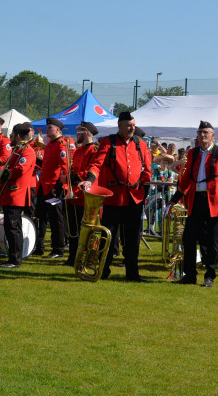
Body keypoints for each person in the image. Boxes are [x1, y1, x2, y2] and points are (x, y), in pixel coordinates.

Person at [84, 111, 152, 282]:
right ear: (120, 125)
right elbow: (96, 164)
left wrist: (144, 193)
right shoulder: (108, 142)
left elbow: (147, 170)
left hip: (134, 198)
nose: (132, 128)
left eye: (133, 125)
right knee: (108, 236)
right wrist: (90, 180)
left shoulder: (141, 144)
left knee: (132, 239)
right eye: (129, 125)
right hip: (113, 198)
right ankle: (103, 270)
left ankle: (132, 273)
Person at [169, 121, 218, 287]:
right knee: (188, 238)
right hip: (195, 200)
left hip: (215, 203)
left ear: (213, 135)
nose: (203, 135)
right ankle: (190, 275)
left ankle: (210, 276)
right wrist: (174, 199)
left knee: (213, 242)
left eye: (206, 132)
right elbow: (186, 180)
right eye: (200, 132)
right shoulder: (192, 153)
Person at [0, 123, 37, 269]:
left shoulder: (27, 151)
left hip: (17, 193)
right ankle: (12, 257)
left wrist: (4, 173)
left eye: (12, 135)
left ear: (18, 136)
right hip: (10, 193)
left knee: (13, 228)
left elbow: (21, 169)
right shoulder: (18, 150)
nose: (10, 138)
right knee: (10, 227)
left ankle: (15, 260)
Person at [33, 117, 72, 258]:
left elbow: (65, 168)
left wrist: (60, 185)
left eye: (50, 128)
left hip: (53, 188)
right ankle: (39, 246)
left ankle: (58, 249)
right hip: (43, 186)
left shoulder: (61, 144)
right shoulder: (50, 143)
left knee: (56, 219)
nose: (47, 130)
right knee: (40, 217)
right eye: (47, 127)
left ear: (58, 130)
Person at [65, 121, 99, 266]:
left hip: (86, 195)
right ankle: (73, 256)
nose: (76, 136)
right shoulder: (79, 150)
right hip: (74, 194)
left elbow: (91, 170)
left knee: (88, 229)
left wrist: (73, 177)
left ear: (85, 133)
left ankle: (89, 257)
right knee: (73, 228)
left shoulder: (94, 150)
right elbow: (74, 169)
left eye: (78, 133)